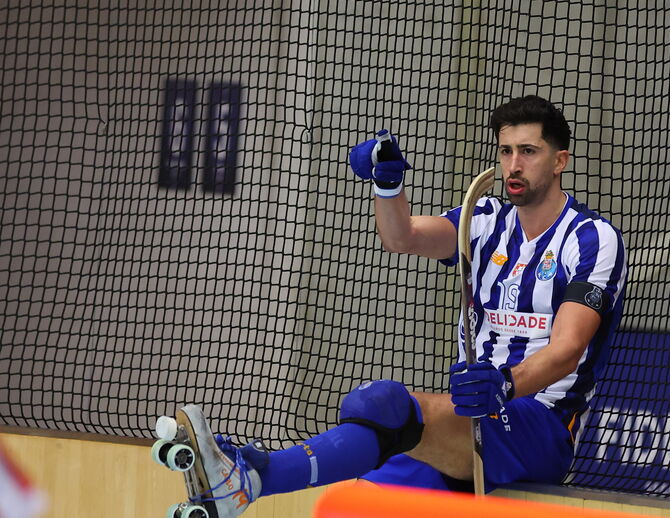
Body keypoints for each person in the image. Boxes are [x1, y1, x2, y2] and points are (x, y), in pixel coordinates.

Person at [164, 95, 627, 517]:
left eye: (528, 151)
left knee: (384, 404)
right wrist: (387, 186)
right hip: (471, 414)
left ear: (560, 160)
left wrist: (506, 384)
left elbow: (568, 348)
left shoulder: (591, 238)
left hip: (540, 423)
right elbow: (400, 236)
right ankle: (246, 476)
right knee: (357, 502)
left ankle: (248, 477)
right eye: (506, 152)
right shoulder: (485, 219)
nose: (513, 164)